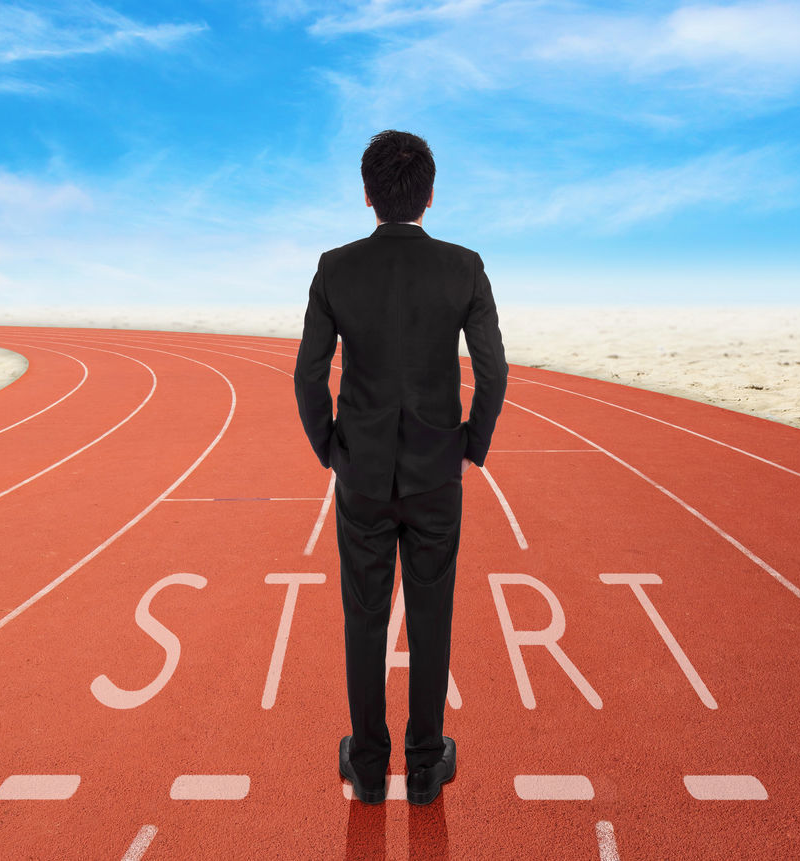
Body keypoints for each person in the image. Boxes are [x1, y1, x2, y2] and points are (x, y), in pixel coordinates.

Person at [293, 129, 508, 805]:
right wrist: (471, 443)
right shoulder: (464, 267)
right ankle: (422, 766)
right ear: (430, 194)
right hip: (437, 472)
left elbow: (307, 375)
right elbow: (494, 369)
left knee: (363, 616)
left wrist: (331, 446)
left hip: (361, 474)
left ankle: (365, 764)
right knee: (432, 612)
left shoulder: (334, 268)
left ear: (367, 195)